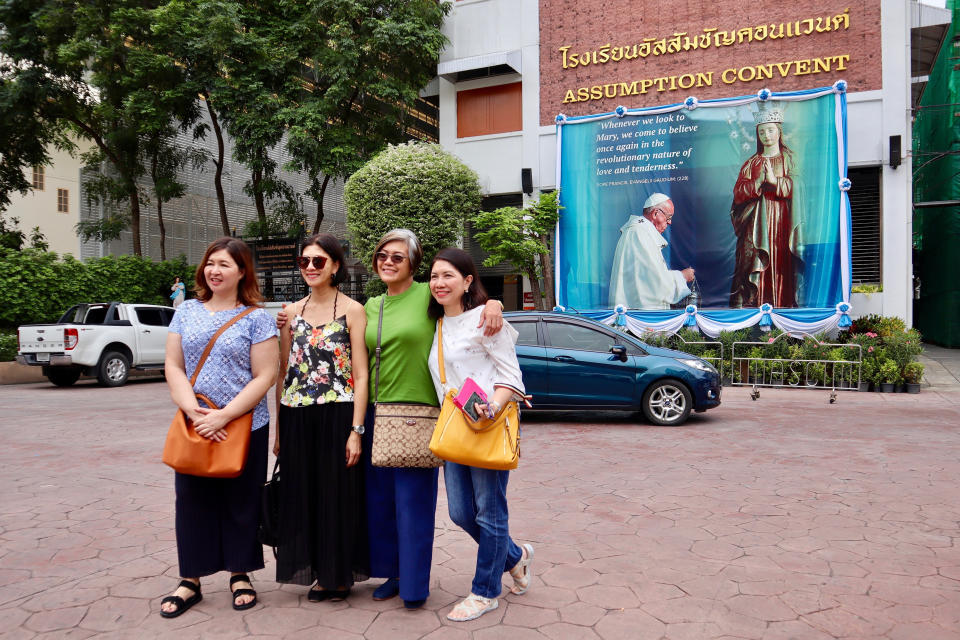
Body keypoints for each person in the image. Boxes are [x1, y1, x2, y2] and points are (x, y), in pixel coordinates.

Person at [275, 228, 503, 609]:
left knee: (412, 505)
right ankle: (393, 573)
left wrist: (492, 303)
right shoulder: (371, 305)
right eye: (382, 255)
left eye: (398, 256)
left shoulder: (428, 296)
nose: (388, 261)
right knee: (379, 504)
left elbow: (464, 303)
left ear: (413, 262)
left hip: (418, 411)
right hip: (374, 412)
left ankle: (414, 587)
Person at [160, 237, 278, 618]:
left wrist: (224, 416)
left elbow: (266, 376)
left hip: (244, 424)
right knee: (191, 500)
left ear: (242, 271)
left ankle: (240, 573)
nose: (215, 270)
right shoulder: (186, 311)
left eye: (225, 264)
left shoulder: (257, 317)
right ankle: (190, 579)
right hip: (195, 421)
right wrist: (196, 413)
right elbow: (173, 365)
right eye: (211, 263)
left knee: (241, 501)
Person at [426, 248, 533, 622]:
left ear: (467, 281)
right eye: (435, 276)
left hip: (485, 425)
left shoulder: (485, 320)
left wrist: (494, 403)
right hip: (455, 430)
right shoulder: (437, 324)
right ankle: (516, 557)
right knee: (460, 513)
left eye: (448, 276)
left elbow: (511, 374)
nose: (439, 283)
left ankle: (485, 591)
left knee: (489, 513)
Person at [273, 233, 370, 601]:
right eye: (304, 261)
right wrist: (279, 431)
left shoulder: (352, 309)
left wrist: (356, 430)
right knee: (304, 493)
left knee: (337, 496)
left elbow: (360, 374)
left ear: (335, 266)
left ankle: (337, 574)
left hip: (338, 414)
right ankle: (316, 569)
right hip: (297, 416)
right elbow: (284, 373)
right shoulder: (290, 313)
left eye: (319, 261)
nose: (310, 268)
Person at [729, 104, 802, 308]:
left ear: (779, 132)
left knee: (781, 264)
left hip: (781, 221)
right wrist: (758, 181)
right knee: (751, 265)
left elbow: (801, 186)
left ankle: (782, 305)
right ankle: (753, 305)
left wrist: (776, 181)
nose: (766, 135)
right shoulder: (751, 163)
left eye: (770, 130)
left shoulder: (790, 159)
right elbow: (738, 193)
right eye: (762, 131)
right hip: (755, 224)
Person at [608, 193, 694, 309]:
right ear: (655, 213)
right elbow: (654, 283)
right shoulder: (639, 234)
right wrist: (682, 276)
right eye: (668, 217)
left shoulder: (641, 232)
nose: (670, 222)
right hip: (640, 320)